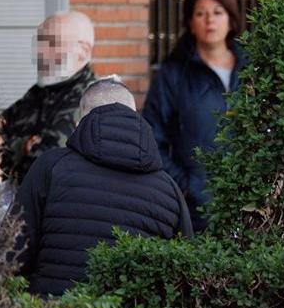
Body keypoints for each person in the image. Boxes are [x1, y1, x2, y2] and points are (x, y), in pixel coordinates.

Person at [14, 78, 192, 295]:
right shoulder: (169, 190)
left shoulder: (51, 167)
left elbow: (11, 251)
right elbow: (185, 279)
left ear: (78, 124)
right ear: (135, 118)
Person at [143, 0, 246, 230]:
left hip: (250, 200)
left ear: (231, 20)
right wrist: (186, 185)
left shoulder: (252, 69)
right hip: (196, 206)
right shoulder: (173, 75)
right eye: (200, 13)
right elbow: (150, 137)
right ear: (190, 24)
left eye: (218, 12)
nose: (210, 20)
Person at [0, 10, 97, 185]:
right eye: (40, 43)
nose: (41, 52)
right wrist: (24, 146)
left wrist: (17, 151)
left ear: (82, 51)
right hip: (27, 208)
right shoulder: (37, 95)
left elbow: (45, 168)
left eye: (53, 43)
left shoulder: (94, 99)